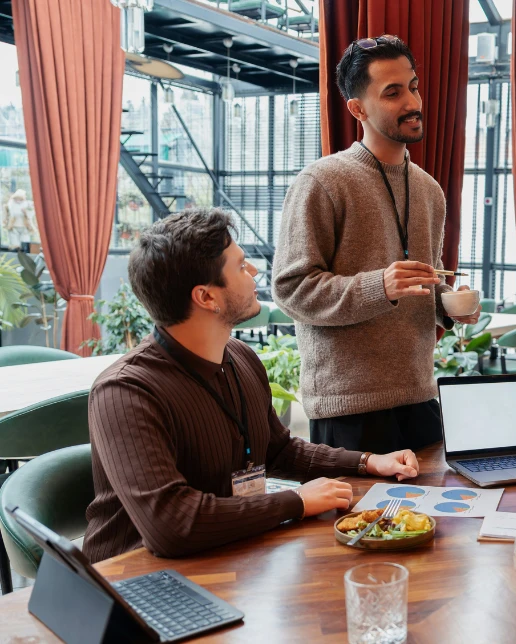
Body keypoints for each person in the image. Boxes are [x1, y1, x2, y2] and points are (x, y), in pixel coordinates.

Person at [84, 209, 421, 562]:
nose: (255, 272)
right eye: (242, 266)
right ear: (207, 297)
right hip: (132, 579)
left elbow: (279, 452)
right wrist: (296, 501)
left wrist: (368, 462)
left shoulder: (240, 356)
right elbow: (172, 524)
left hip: (222, 551)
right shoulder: (125, 392)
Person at [272, 35, 478, 454]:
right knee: (363, 522)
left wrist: (448, 303)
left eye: (414, 86)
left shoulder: (429, 190)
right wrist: (378, 287)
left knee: (431, 520)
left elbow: (423, 280)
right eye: (393, 92)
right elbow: (291, 289)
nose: (413, 102)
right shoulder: (322, 181)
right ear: (357, 109)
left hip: (419, 395)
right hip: (346, 407)